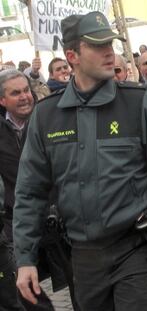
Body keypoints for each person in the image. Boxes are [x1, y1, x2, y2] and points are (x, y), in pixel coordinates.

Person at [13, 11, 147, 311]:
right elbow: (30, 191)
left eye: (110, 45)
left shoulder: (139, 102)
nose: (109, 53)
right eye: (98, 46)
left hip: (139, 250)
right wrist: (25, 259)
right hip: (84, 258)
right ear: (72, 55)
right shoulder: (47, 115)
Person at [0, 69, 56, 311]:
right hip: (17, 221)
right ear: (2, 100)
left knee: (81, 284)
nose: (24, 97)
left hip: (57, 218)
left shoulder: (49, 121)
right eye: (15, 93)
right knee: (26, 290)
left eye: (26, 91)